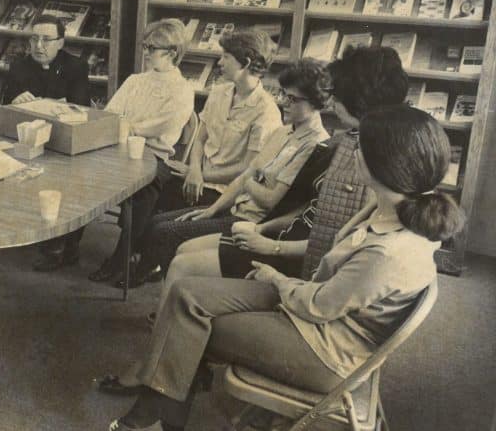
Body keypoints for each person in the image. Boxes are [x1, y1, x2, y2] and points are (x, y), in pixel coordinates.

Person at [105, 104, 464, 431]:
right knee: (186, 293)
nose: (355, 150)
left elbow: (318, 307)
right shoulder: (387, 208)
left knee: (191, 325)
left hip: (325, 349)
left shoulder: (389, 252)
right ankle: (161, 410)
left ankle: (154, 416)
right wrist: (280, 279)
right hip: (317, 311)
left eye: (362, 146)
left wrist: (276, 278)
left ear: (384, 165)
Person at [163, 45, 410, 289]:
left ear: (358, 99)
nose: (333, 99)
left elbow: (337, 243)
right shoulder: (343, 142)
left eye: (338, 94)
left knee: (181, 260)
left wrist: (272, 245)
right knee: (182, 250)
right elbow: (307, 209)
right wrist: (262, 228)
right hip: (282, 235)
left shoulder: (354, 154)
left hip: (297, 260)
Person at [92, 29, 281, 288]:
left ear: (245, 63)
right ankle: (132, 258)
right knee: (146, 185)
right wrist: (194, 169)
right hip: (196, 176)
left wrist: (201, 176)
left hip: (226, 192)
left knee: (154, 212)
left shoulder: (266, 111)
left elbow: (247, 169)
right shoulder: (220, 92)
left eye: (226, 57)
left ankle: (137, 262)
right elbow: (200, 139)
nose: (219, 62)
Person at [135, 59, 331, 280]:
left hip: (253, 224)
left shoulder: (316, 145)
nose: (285, 102)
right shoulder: (284, 132)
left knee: (165, 232)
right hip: (236, 209)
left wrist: (248, 179)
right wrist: (212, 210)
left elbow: (268, 199)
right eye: (284, 95)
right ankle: (172, 285)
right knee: (158, 223)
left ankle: (168, 284)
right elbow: (246, 175)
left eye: (293, 99)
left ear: (317, 102)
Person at [87, 20, 195, 283]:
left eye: (152, 48)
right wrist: (125, 126)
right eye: (145, 46)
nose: (145, 52)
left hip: (155, 157)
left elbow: (163, 126)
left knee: (146, 187)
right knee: (79, 169)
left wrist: (129, 126)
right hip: (118, 148)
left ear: (172, 52)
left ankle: (121, 258)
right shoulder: (135, 80)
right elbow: (110, 114)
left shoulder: (183, 89)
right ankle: (64, 246)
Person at [1, 15, 90, 271]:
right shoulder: (19, 66)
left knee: (73, 179)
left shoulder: (76, 66)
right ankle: (39, 234)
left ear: (60, 42)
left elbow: (81, 108)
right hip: (30, 141)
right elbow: (6, 110)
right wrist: (16, 102)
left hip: (65, 142)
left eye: (46, 40)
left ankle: (66, 244)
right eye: (34, 39)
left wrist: (44, 105)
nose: (38, 46)